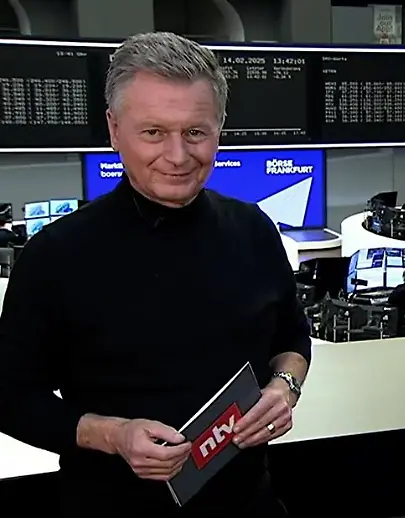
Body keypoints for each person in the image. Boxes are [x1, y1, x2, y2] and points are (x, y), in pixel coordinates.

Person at [0, 32, 311, 516]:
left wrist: (284, 388)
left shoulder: (254, 230)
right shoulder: (55, 256)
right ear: (114, 129)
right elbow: (10, 397)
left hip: (250, 504)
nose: (178, 156)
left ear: (219, 128)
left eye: (195, 132)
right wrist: (113, 435)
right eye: (153, 132)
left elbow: (291, 337)